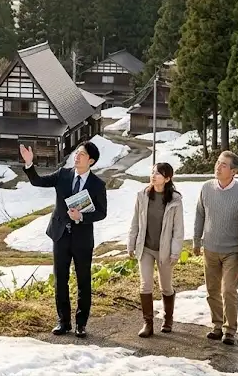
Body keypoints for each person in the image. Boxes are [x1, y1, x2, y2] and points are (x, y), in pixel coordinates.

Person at [19, 140, 108, 338]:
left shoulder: (97, 184)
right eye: (77, 153)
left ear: (91, 161)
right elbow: (38, 181)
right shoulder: (63, 175)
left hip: (82, 238)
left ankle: (81, 323)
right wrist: (29, 164)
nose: (77, 156)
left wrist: (82, 217)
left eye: (82, 154)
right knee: (61, 279)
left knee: (83, 280)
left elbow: (102, 212)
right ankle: (63, 321)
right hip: (60, 235)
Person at [193, 150, 238, 345]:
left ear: (233, 171)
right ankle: (217, 326)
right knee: (212, 290)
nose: (218, 167)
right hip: (210, 248)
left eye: (223, 165)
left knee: (228, 290)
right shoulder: (206, 188)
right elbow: (200, 215)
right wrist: (196, 240)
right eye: (218, 162)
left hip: (233, 251)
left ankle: (230, 330)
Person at [127, 162, 184, 338]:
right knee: (145, 284)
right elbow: (135, 221)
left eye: (158, 174)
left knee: (166, 287)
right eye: (152, 172)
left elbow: (178, 229)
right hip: (145, 247)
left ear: (167, 178)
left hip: (165, 250)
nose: (154, 176)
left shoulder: (175, 200)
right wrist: (131, 243)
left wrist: (175, 252)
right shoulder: (143, 195)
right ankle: (148, 323)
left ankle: (168, 318)